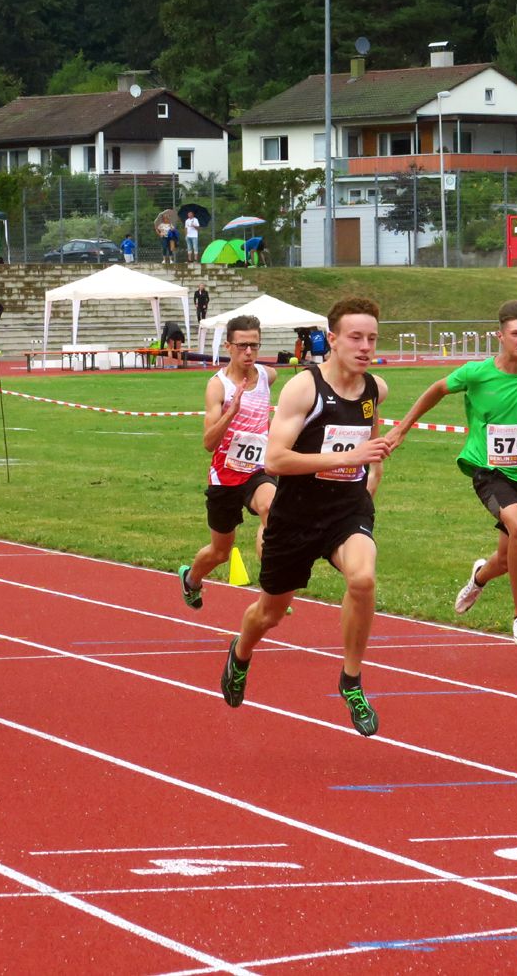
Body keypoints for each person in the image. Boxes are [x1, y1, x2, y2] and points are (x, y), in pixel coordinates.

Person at [219, 297, 390, 737]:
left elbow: (371, 445)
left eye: (372, 338)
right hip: (295, 515)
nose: (365, 346)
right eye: (355, 337)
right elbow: (274, 459)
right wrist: (348, 457)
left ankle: (351, 679)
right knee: (270, 613)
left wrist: (370, 476)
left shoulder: (375, 389)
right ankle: (241, 652)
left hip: (346, 510)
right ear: (332, 339)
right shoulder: (304, 389)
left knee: (363, 579)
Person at [388, 300, 517, 648]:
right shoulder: (476, 373)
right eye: (516, 333)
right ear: (500, 335)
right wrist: (403, 427)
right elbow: (437, 389)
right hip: (488, 470)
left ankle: (478, 578)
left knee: (506, 560)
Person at [178, 315, 279, 609]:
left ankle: (273, 588)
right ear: (228, 346)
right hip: (225, 476)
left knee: (271, 509)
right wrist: (231, 412)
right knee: (220, 552)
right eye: (242, 346)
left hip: (258, 470)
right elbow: (208, 442)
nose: (249, 352)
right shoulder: (217, 386)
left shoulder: (267, 376)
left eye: (254, 345)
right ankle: (191, 579)